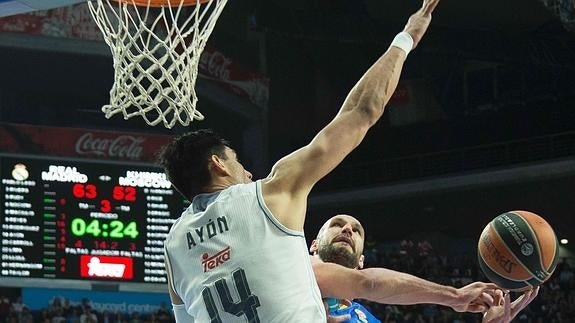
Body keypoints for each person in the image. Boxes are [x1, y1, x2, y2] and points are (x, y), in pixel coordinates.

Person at [158, 0, 489, 322]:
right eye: (236, 161)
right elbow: (362, 112)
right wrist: (406, 39)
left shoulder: (173, 251)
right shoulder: (269, 194)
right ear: (218, 164)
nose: (246, 171)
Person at [309, 214, 539, 323]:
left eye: (356, 230)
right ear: (314, 245)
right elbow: (368, 283)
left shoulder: (365, 318)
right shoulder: (301, 269)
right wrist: (455, 296)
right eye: (337, 225)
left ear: (361, 261)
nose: (348, 229)